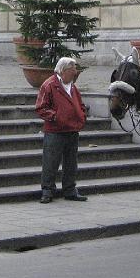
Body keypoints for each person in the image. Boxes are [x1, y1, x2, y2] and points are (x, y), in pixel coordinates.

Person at [35, 57, 89, 203]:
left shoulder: (73, 87)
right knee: (50, 162)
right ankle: (47, 191)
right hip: (55, 131)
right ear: (63, 71)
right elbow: (41, 108)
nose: (75, 73)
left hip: (72, 129)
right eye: (73, 71)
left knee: (71, 162)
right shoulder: (49, 85)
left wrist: (82, 115)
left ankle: (70, 190)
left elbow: (80, 104)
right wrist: (57, 117)